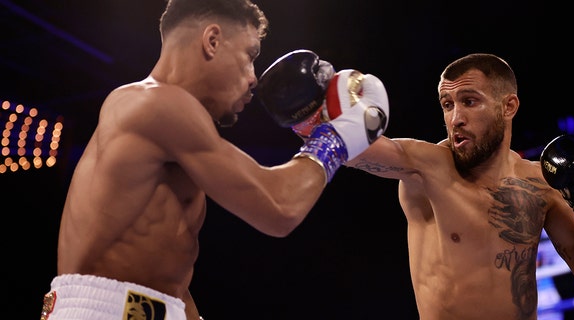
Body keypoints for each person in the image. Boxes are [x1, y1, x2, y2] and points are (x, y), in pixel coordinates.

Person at [40, 1, 389, 320]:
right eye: (250, 54)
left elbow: (164, 277)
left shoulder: (164, 122)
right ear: (212, 40)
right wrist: (336, 137)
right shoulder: (156, 104)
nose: (253, 77)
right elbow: (279, 207)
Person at [258, 52, 574, 319]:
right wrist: (311, 118)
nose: (455, 118)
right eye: (447, 104)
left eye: (469, 101)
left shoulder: (540, 185)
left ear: (508, 106)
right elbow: (357, 149)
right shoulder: (426, 166)